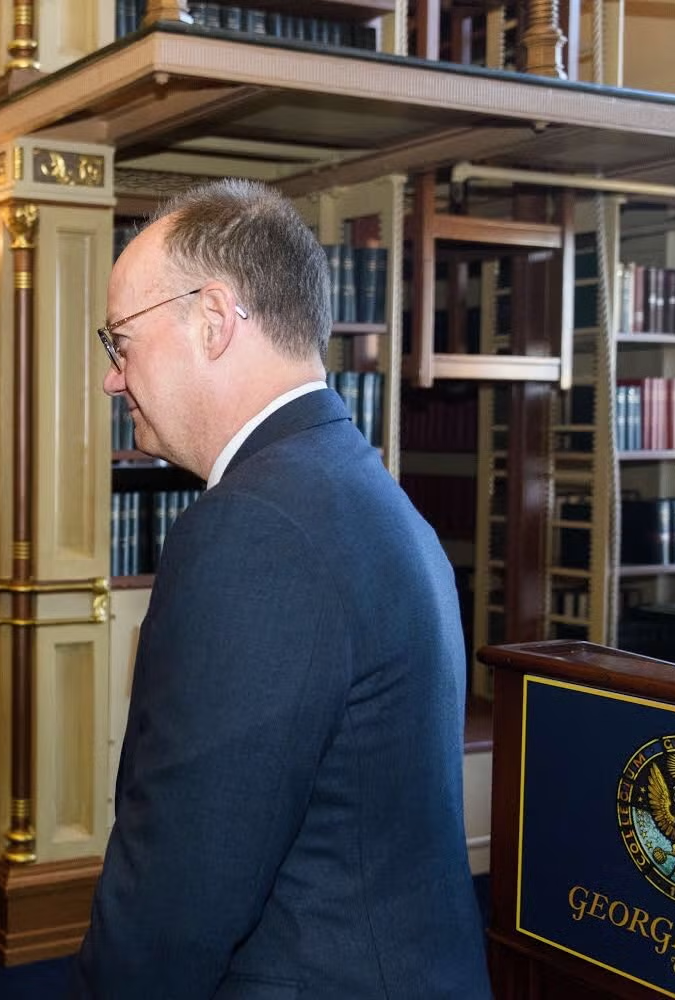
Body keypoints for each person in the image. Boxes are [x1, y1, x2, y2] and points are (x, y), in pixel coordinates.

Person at [72, 179, 490, 998]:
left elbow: (181, 890)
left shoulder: (253, 529)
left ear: (215, 319)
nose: (111, 380)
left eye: (119, 341)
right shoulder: (361, 485)